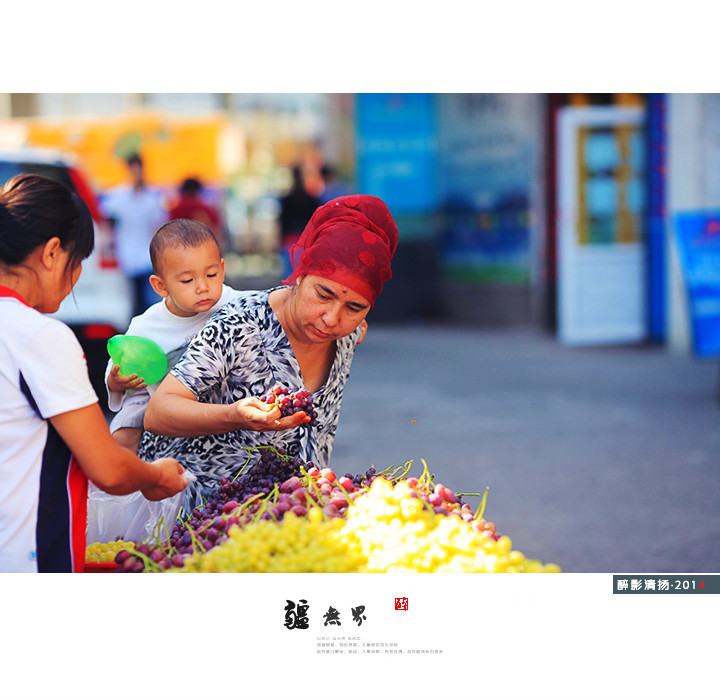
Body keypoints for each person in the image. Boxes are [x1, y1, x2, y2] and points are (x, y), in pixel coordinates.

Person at [140, 194, 398, 512]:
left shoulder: (347, 332)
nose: (332, 318)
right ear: (300, 275)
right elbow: (158, 412)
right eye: (323, 294)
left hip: (291, 518)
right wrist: (233, 416)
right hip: (200, 518)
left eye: (354, 307)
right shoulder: (239, 324)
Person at [0, 174, 188, 573]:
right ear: (52, 253)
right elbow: (109, 470)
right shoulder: (39, 337)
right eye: (79, 260)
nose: (77, 278)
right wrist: (155, 476)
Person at [105, 218, 240, 454]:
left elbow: (268, 309)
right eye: (188, 280)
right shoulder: (147, 326)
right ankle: (130, 479)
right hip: (157, 399)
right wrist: (115, 381)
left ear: (222, 269)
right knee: (122, 433)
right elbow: (121, 360)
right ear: (161, 286)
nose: (202, 287)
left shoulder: (236, 304)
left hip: (224, 396)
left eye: (211, 275)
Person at [101, 154, 168, 317]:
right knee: (130, 304)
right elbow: (106, 223)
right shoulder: (117, 197)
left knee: (149, 302)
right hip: (126, 257)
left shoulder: (153, 198)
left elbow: (159, 226)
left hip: (147, 257)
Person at [279, 165, 320, 278]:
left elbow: (282, 221)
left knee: (289, 274)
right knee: (304, 274)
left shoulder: (287, 199)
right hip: (305, 240)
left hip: (289, 239)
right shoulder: (311, 199)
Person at [169, 178, 223, 247]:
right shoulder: (206, 209)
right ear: (199, 190)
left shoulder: (175, 210)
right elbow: (216, 230)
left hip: (178, 248)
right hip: (203, 248)